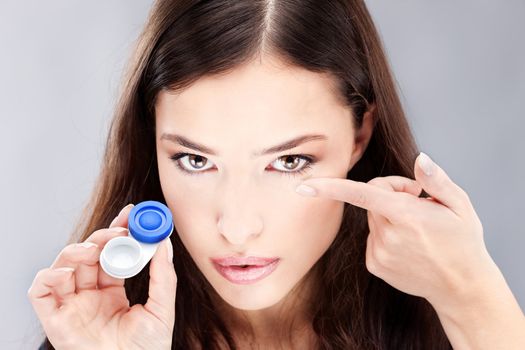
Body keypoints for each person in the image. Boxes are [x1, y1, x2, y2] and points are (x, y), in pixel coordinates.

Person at [28, 0, 525, 349]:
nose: (238, 228)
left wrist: (473, 300)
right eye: (195, 161)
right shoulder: (98, 337)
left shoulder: (449, 326)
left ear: (359, 135)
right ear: (150, 140)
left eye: (288, 161)